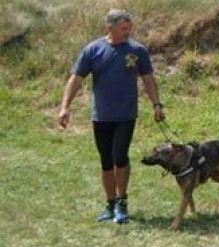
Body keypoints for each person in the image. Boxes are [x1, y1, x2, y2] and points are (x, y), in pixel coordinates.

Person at [58, 9, 165, 224]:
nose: (128, 32)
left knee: (120, 157)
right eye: (123, 28)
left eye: (129, 28)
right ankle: (110, 203)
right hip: (101, 116)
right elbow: (76, 78)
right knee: (106, 161)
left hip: (125, 115)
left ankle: (122, 202)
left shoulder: (137, 51)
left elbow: (148, 79)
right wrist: (64, 106)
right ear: (110, 27)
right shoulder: (93, 50)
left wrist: (157, 104)